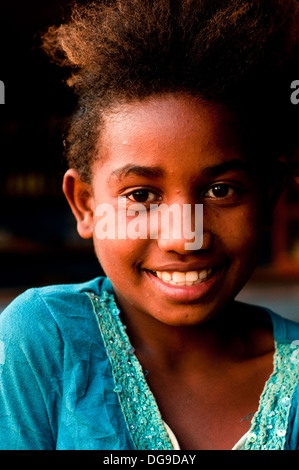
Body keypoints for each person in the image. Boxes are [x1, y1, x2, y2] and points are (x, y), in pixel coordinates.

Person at [0, 0, 299, 450]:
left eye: (220, 190)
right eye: (141, 196)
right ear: (85, 206)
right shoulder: (43, 340)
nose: (184, 237)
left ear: (270, 196)